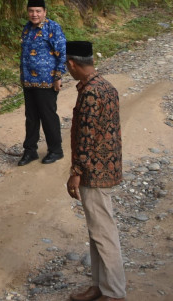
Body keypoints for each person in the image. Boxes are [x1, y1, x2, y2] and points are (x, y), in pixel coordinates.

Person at [65, 40, 126, 301]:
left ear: (72, 64)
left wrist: (76, 171)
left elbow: (86, 135)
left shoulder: (90, 92)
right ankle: (100, 285)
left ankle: (113, 292)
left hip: (93, 171)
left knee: (103, 233)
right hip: (107, 167)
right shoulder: (106, 86)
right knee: (97, 231)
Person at [18, 0, 66, 166]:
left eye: (38, 11)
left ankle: (56, 150)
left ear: (45, 12)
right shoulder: (27, 28)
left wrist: (58, 76)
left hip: (47, 81)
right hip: (29, 81)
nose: (34, 14)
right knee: (31, 118)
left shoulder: (53, 28)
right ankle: (30, 151)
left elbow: (62, 53)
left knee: (48, 116)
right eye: (31, 11)